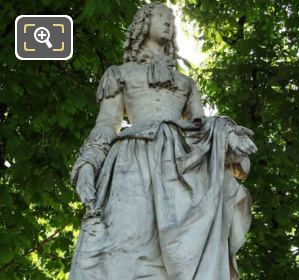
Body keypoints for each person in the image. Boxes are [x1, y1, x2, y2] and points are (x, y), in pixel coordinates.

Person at [69, 2, 257, 280]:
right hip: (131, 161)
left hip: (177, 163)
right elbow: (107, 125)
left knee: (176, 253)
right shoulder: (121, 74)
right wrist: (87, 163)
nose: (169, 22)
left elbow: (201, 127)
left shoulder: (185, 83)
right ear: (143, 24)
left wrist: (227, 136)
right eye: (161, 16)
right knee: (124, 239)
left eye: (172, 18)